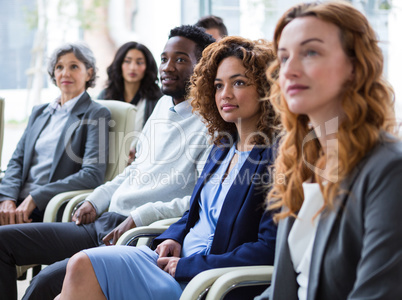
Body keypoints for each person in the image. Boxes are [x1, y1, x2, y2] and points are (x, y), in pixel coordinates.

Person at [0, 25, 215, 300]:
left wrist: (141, 215)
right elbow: (135, 170)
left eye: (181, 59)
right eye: (164, 59)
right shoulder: (163, 107)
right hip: (103, 221)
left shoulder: (210, 125)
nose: (167, 67)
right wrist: (96, 200)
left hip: (134, 234)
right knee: (3, 242)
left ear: (203, 67)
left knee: (44, 283)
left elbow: (198, 201)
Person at [56, 36, 279, 300]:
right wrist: (173, 238)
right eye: (218, 85)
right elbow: (194, 213)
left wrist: (187, 266)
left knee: (80, 270)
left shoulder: (275, 158)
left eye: (239, 82)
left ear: (266, 88)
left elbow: (268, 249)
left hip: (205, 281)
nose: (225, 94)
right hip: (172, 263)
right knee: (78, 269)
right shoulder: (222, 147)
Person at [255, 2, 402, 300]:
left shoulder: (389, 170)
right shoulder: (299, 162)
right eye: (283, 58)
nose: (290, 70)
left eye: (310, 52)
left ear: (354, 66)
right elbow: (286, 287)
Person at [0, 42, 110, 225]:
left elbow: (92, 174)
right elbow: (17, 161)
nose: (65, 73)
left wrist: (36, 197)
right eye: (59, 67)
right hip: (15, 203)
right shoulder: (39, 112)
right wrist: (6, 199)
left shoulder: (96, 114)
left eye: (73, 66)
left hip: (47, 207)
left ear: (89, 73)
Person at [98, 41, 163, 162]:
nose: (133, 67)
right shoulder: (105, 97)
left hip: (144, 163)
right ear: (119, 64)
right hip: (110, 163)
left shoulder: (158, 99)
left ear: (147, 67)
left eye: (139, 62)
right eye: (127, 61)